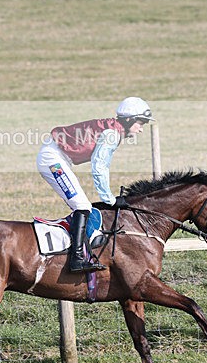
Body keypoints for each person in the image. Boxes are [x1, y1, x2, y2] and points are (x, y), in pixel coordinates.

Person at [36, 97, 154, 272]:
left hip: (57, 156)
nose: (141, 129)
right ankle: (76, 260)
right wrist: (110, 200)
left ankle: (79, 249)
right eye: (140, 123)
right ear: (128, 119)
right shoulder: (112, 134)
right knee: (82, 206)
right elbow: (99, 167)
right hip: (52, 159)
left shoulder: (113, 129)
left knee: (82, 206)